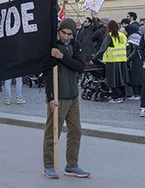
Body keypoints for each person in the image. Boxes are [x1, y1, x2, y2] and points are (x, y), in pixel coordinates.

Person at [42, 18, 89, 179]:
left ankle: (72, 165)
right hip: (58, 97)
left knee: (76, 131)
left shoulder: (75, 45)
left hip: (73, 96)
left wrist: (62, 57)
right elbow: (47, 74)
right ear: (59, 30)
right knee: (52, 133)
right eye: (63, 33)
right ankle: (48, 165)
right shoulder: (51, 45)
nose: (66, 37)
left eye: (69, 34)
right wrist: (50, 98)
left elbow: (80, 66)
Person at [95, 20, 127, 103]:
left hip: (112, 61)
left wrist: (94, 58)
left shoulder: (110, 36)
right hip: (122, 60)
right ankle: (122, 95)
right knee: (120, 79)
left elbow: (102, 48)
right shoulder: (122, 35)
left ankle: (116, 96)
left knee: (112, 80)